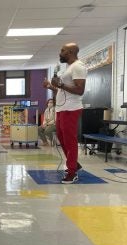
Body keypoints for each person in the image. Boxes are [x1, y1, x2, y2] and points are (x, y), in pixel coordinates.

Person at [43, 42, 87, 184]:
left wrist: (60, 84)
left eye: (62, 50)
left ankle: (71, 172)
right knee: (62, 139)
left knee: (70, 140)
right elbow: (62, 90)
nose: (60, 53)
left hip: (71, 108)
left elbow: (80, 90)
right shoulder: (68, 68)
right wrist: (51, 86)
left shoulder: (78, 67)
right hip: (61, 108)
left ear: (71, 52)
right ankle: (74, 163)